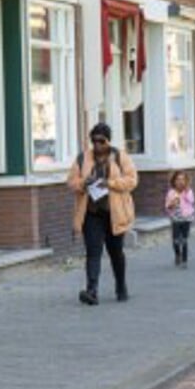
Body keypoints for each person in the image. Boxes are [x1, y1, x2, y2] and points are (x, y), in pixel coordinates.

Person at [67, 122, 137, 305]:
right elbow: (71, 182)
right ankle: (92, 291)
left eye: (101, 141)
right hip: (91, 213)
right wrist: (84, 182)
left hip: (114, 213)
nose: (97, 145)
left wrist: (111, 183)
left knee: (116, 252)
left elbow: (132, 180)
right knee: (93, 251)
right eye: (94, 141)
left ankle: (121, 286)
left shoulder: (120, 156)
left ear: (108, 140)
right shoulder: (83, 158)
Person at [165, 170, 195, 268]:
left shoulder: (189, 191)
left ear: (186, 181)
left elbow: (191, 201)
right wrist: (172, 204)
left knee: (184, 239)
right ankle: (177, 254)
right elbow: (167, 206)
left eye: (183, 179)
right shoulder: (171, 192)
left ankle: (184, 260)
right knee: (175, 240)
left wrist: (186, 193)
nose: (180, 181)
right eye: (178, 179)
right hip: (175, 218)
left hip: (187, 218)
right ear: (174, 181)